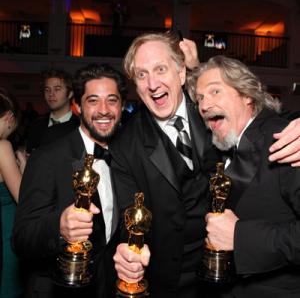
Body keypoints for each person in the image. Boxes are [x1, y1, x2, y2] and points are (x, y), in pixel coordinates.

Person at [111, 31, 300, 298]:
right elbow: (128, 215)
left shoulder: (211, 108)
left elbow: (264, 115)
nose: (152, 83)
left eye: (160, 69)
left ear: (180, 74)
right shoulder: (125, 145)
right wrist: (127, 249)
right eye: (141, 75)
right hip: (171, 279)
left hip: (239, 270)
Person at [187, 55, 300, 297]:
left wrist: (241, 237)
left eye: (215, 91)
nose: (204, 105)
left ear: (247, 95)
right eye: (200, 98)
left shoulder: (286, 140)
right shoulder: (223, 147)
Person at [12, 63, 127, 298]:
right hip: (57, 290)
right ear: (77, 106)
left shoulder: (127, 158)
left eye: (112, 100)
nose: (104, 110)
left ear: (122, 106)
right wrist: (59, 227)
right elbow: (22, 239)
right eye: (93, 100)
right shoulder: (48, 157)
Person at [0, 88, 26, 297]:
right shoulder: (3, 146)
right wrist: (24, 166)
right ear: (9, 117)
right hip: (5, 230)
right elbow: (22, 198)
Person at [26, 68, 79, 154]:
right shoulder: (36, 125)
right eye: (47, 90)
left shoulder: (80, 127)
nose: (51, 94)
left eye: (57, 89)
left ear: (70, 94)